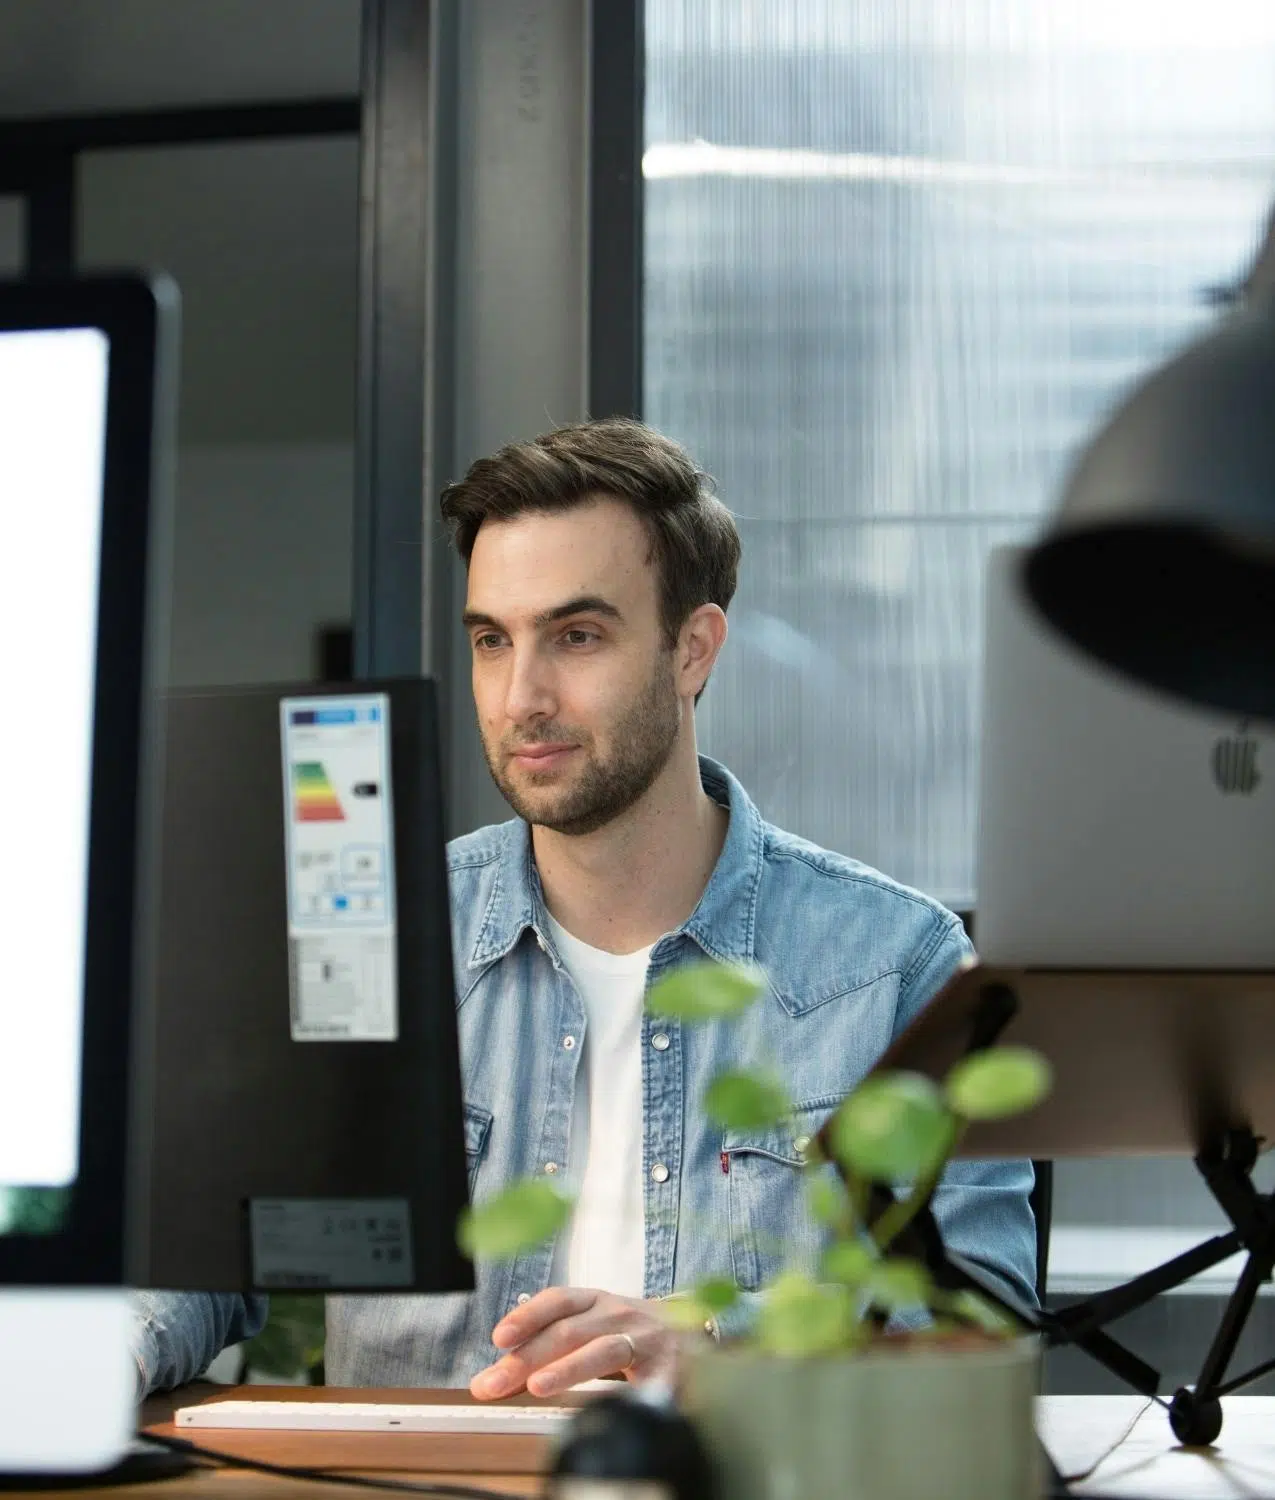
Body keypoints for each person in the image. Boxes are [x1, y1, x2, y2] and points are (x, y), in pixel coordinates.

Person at [132, 418, 1035, 1400]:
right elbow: (196, 1261)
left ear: (694, 650)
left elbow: (977, 1334)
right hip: (416, 1473)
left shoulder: (895, 962)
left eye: (576, 636)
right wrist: (108, 1353)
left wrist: (718, 1352)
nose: (521, 696)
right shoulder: (367, 935)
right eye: (492, 640)